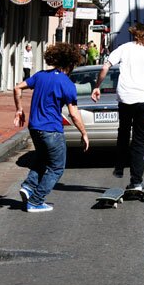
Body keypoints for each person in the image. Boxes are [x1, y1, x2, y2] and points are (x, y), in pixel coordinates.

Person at [91, 22, 144, 193]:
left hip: (126, 98)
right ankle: (136, 181)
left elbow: (106, 66)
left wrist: (97, 86)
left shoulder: (124, 48)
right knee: (139, 140)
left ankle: (119, 167)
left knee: (123, 131)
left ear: (134, 34)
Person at [13, 43, 89, 213]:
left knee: (42, 158)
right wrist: (84, 133)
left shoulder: (40, 76)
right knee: (56, 167)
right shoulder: (67, 83)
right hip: (51, 129)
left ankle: (28, 186)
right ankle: (36, 200)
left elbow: (17, 87)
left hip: (34, 127)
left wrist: (19, 109)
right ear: (70, 64)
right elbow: (74, 114)